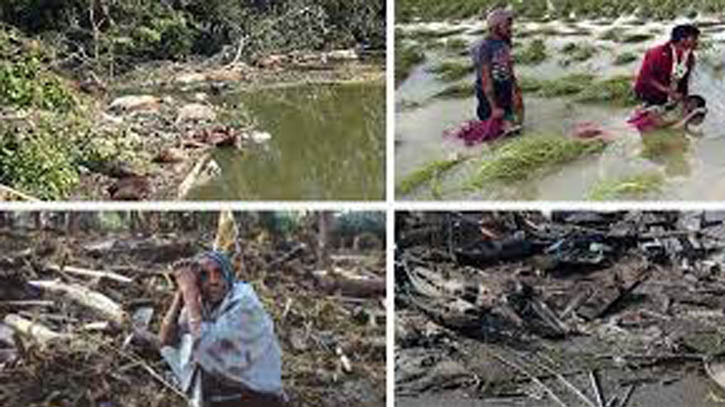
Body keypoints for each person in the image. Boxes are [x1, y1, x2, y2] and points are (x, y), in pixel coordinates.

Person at [158, 251, 286, 407]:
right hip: (224, 392)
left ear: (228, 275)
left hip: (258, 396)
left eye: (219, 273)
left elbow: (204, 342)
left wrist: (189, 293)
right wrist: (181, 291)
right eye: (204, 275)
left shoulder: (245, 303)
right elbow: (166, 342)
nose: (213, 281)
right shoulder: (202, 305)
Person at [471, 8, 523, 130]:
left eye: (510, 24)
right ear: (495, 26)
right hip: (490, 96)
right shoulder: (484, 46)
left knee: (511, 126)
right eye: (507, 25)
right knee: (492, 130)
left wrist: (516, 91)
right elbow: (485, 79)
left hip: (505, 89)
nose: (510, 28)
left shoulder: (504, 42)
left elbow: (509, 68)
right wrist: (493, 107)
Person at [634, 24, 700, 106]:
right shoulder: (656, 53)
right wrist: (668, 91)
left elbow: (684, 82)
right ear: (682, 39)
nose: (697, 41)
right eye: (694, 38)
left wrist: (683, 98)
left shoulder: (690, 57)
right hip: (649, 94)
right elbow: (646, 78)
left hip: (669, 94)